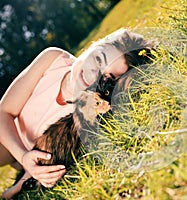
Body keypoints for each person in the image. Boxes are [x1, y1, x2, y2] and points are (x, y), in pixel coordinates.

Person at [0, 28, 154, 199]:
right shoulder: (52, 59)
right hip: (7, 134)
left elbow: (51, 156)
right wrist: (22, 156)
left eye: (107, 77)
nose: (92, 73)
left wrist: (20, 179)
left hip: (26, 152)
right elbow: (4, 111)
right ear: (94, 45)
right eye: (98, 59)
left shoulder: (86, 114)